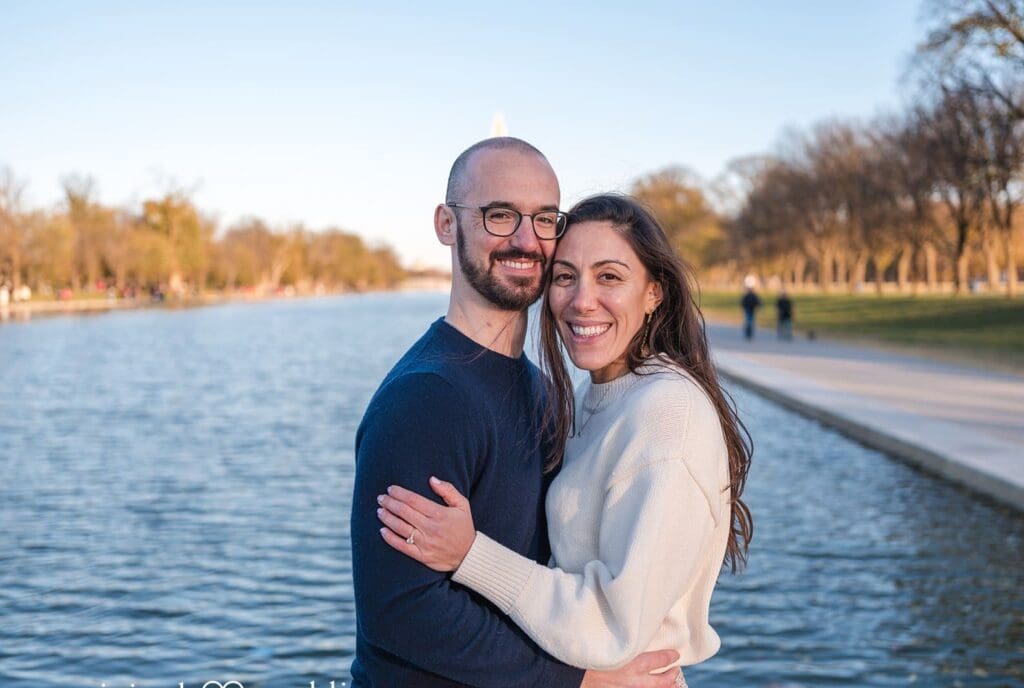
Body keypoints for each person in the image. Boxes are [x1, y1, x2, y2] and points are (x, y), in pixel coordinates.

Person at [377, 195, 754, 684]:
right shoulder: (595, 397)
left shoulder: (666, 411)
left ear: (654, 293)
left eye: (609, 277)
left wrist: (471, 555)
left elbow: (612, 625)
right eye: (565, 276)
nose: (582, 300)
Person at [350, 141, 681, 687]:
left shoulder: (544, 392)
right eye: (500, 215)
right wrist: (581, 681)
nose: (526, 241)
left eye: (544, 219)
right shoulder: (425, 398)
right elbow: (402, 613)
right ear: (446, 224)